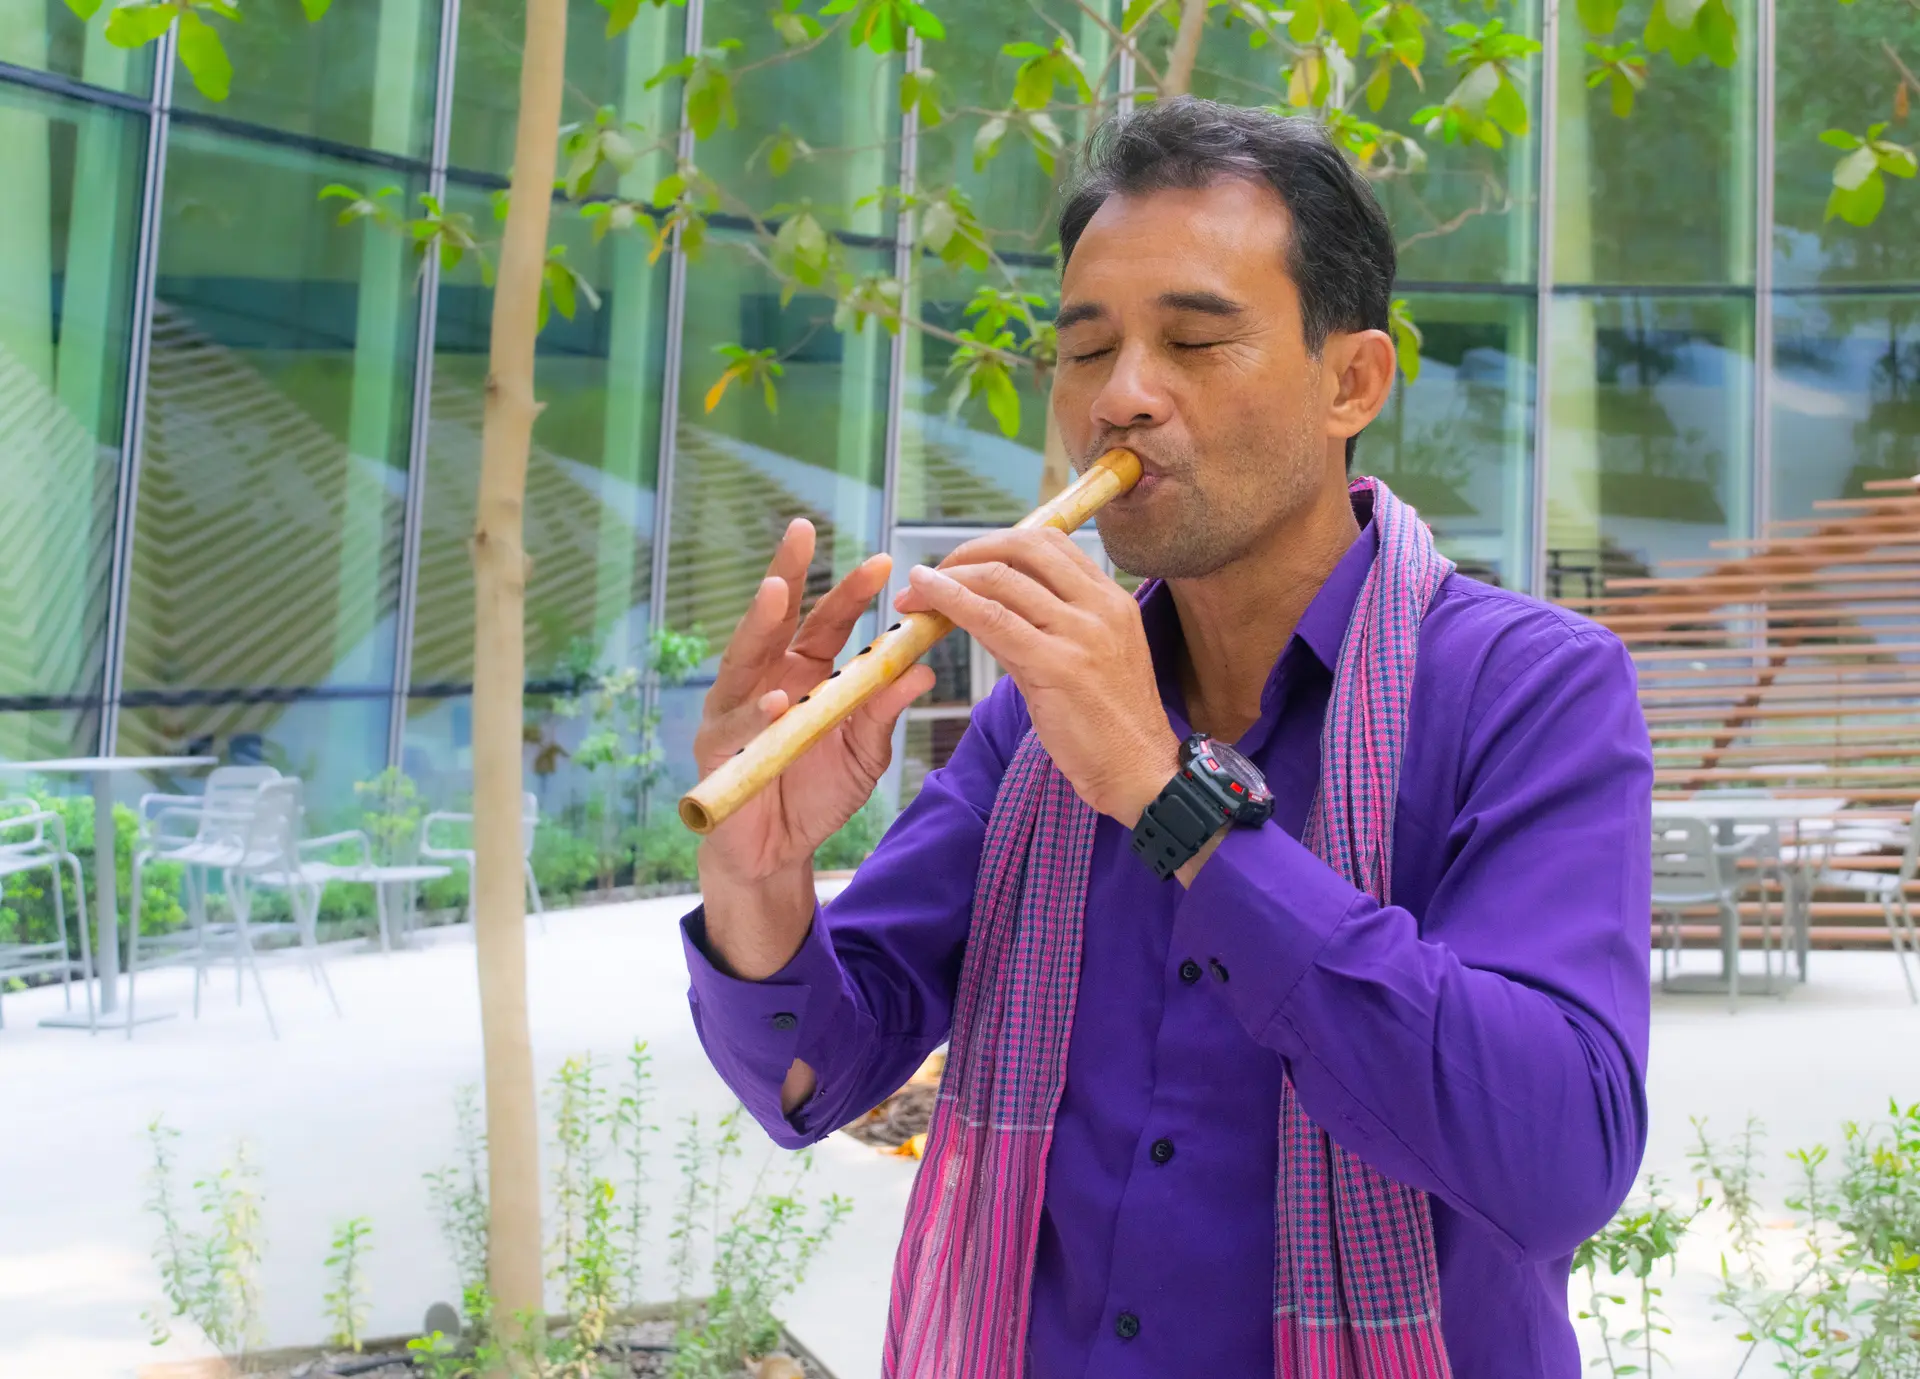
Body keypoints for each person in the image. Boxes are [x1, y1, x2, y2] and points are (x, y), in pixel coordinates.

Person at [679, 97, 1652, 1379]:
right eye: (1088, 350)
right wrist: (758, 875)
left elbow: (1561, 1158)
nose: (1122, 397)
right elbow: (820, 1074)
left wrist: (1165, 790)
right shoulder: (1038, 719)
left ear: (1351, 382)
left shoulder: (1531, 689)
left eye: (1194, 340)